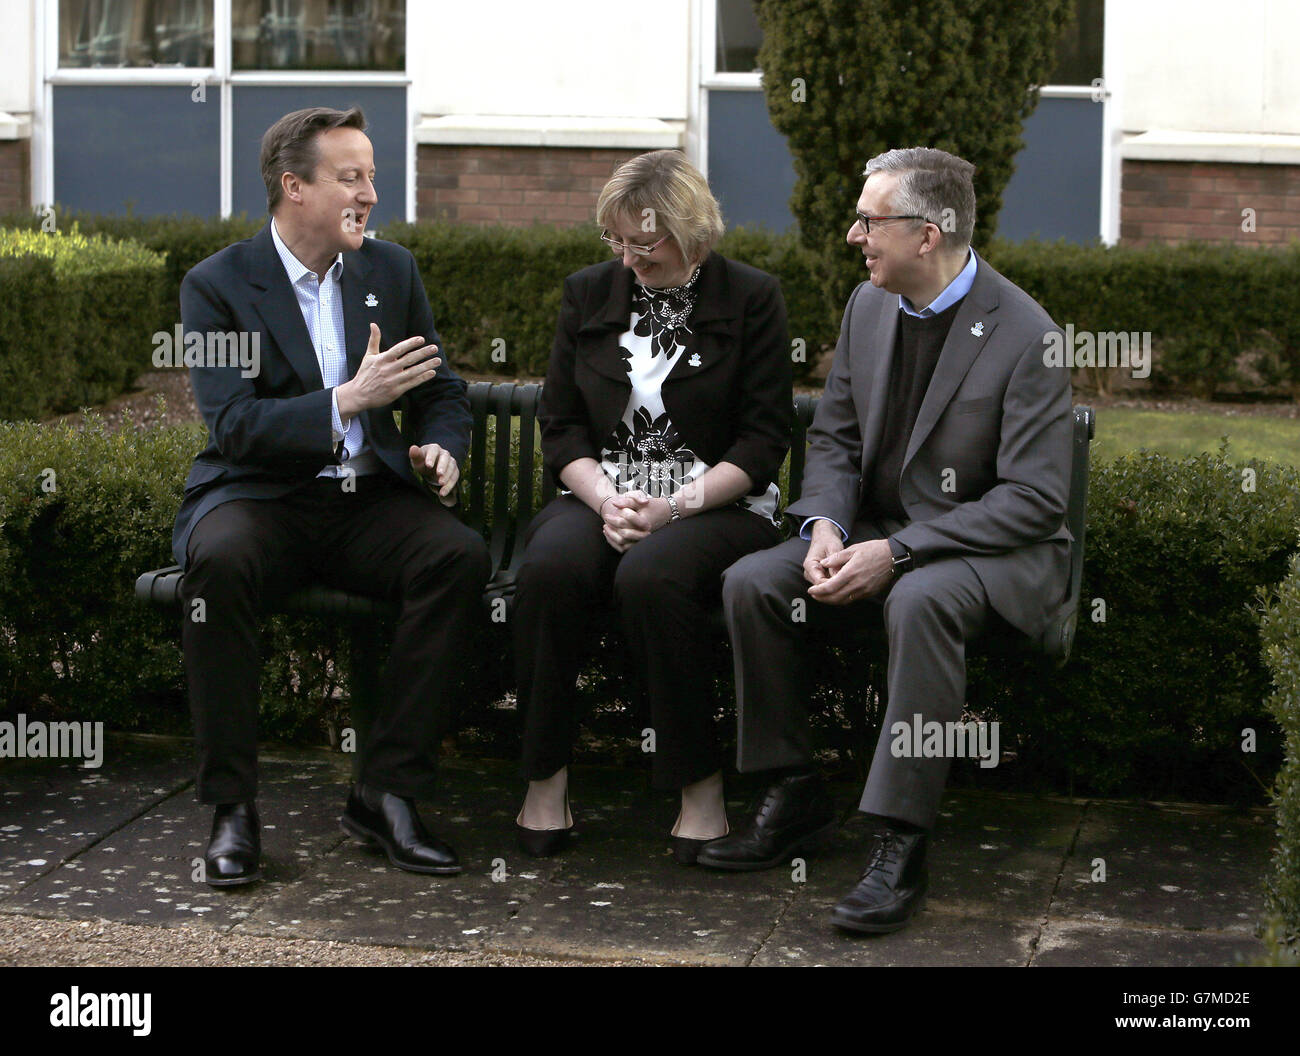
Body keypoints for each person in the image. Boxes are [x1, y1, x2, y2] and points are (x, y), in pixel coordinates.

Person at [699, 147, 1072, 933]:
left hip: (987, 554)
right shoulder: (868, 306)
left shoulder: (1028, 333)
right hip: (874, 529)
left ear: (928, 234)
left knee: (920, 600)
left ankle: (900, 843)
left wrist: (898, 553)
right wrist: (827, 526)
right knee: (752, 583)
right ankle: (795, 793)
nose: (853, 234)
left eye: (869, 220)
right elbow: (834, 437)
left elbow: (1036, 500)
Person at [173, 106, 491, 887]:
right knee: (217, 565)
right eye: (352, 177)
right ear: (295, 187)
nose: (371, 194)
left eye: (372, 176)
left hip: (366, 502)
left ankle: (386, 792)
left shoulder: (391, 272)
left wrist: (443, 447)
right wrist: (345, 401)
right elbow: (235, 425)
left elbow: (440, 390)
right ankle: (232, 812)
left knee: (455, 557)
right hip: (260, 498)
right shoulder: (215, 286)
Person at [513, 150, 792, 862]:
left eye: (646, 244)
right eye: (617, 243)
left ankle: (699, 786)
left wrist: (674, 507)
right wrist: (608, 500)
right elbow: (562, 426)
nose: (630, 260)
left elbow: (763, 440)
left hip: (717, 504)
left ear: (693, 233)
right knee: (548, 567)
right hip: (603, 493)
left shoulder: (752, 297)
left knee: (652, 578)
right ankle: (545, 780)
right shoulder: (588, 295)